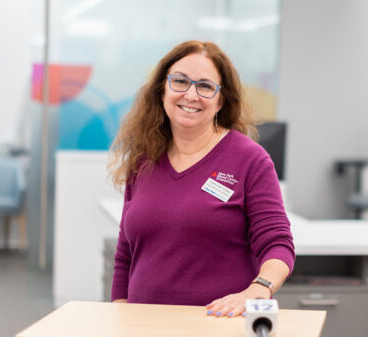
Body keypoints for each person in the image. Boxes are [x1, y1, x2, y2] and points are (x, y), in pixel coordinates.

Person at [108, 40, 295, 318]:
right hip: (143, 332)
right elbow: (126, 253)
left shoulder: (250, 160)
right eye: (180, 81)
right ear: (162, 90)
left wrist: (259, 289)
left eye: (205, 86)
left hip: (215, 332)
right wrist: (119, 321)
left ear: (221, 100)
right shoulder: (144, 160)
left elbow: (278, 244)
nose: (191, 95)